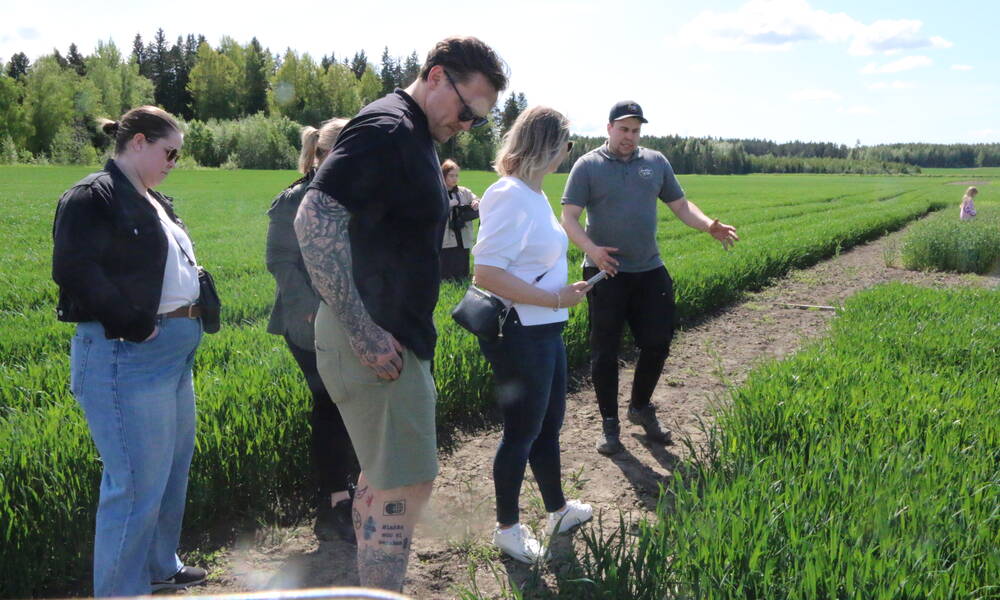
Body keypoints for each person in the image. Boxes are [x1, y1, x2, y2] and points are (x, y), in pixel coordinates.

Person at [294, 36, 507, 591]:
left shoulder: (411, 134)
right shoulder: (389, 129)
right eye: (466, 110)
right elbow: (313, 219)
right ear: (436, 76)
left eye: (478, 120)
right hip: (375, 341)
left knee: (387, 480)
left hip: (390, 336)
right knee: (402, 485)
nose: (467, 125)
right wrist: (363, 331)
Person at [51, 106, 207, 596]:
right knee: (136, 484)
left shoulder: (153, 198)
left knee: (171, 472)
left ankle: (160, 566)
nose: (174, 163)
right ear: (137, 142)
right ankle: (121, 590)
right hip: (127, 356)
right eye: (169, 152)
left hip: (173, 357)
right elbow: (73, 268)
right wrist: (134, 325)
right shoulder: (91, 196)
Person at [561, 100, 739, 456]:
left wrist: (708, 225)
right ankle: (609, 424)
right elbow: (569, 217)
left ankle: (640, 407)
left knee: (658, 342)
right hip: (605, 272)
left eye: (635, 130)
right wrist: (593, 251)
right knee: (604, 352)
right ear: (609, 128)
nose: (629, 136)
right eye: (623, 129)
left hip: (648, 269)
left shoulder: (655, 162)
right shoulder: (588, 165)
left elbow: (680, 206)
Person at [472, 106, 594, 563]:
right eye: (567, 144)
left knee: (547, 426)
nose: (568, 152)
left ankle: (557, 511)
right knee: (521, 432)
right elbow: (487, 273)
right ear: (550, 146)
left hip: (545, 329)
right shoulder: (509, 194)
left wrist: (560, 296)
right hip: (520, 332)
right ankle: (507, 528)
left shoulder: (534, 194)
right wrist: (555, 298)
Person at [266, 118, 360, 543]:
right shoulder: (294, 198)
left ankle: (356, 487)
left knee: (353, 402)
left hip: (351, 316)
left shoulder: (356, 195)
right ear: (321, 155)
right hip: (308, 324)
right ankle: (335, 500)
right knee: (329, 404)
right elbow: (279, 260)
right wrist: (311, 310)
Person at [439, 159, 480, 281]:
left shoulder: (463, 192)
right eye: (451, 175)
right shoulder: (438, 192)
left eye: (456, 175)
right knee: (447, 260)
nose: (454, 178)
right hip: (445, 234)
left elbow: (477, 198)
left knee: (462, 258)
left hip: (462, 233)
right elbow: (431, 209)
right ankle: (446, 280)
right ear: (443, 175)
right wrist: (447, 205)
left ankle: (462, 278)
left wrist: (476, 202)